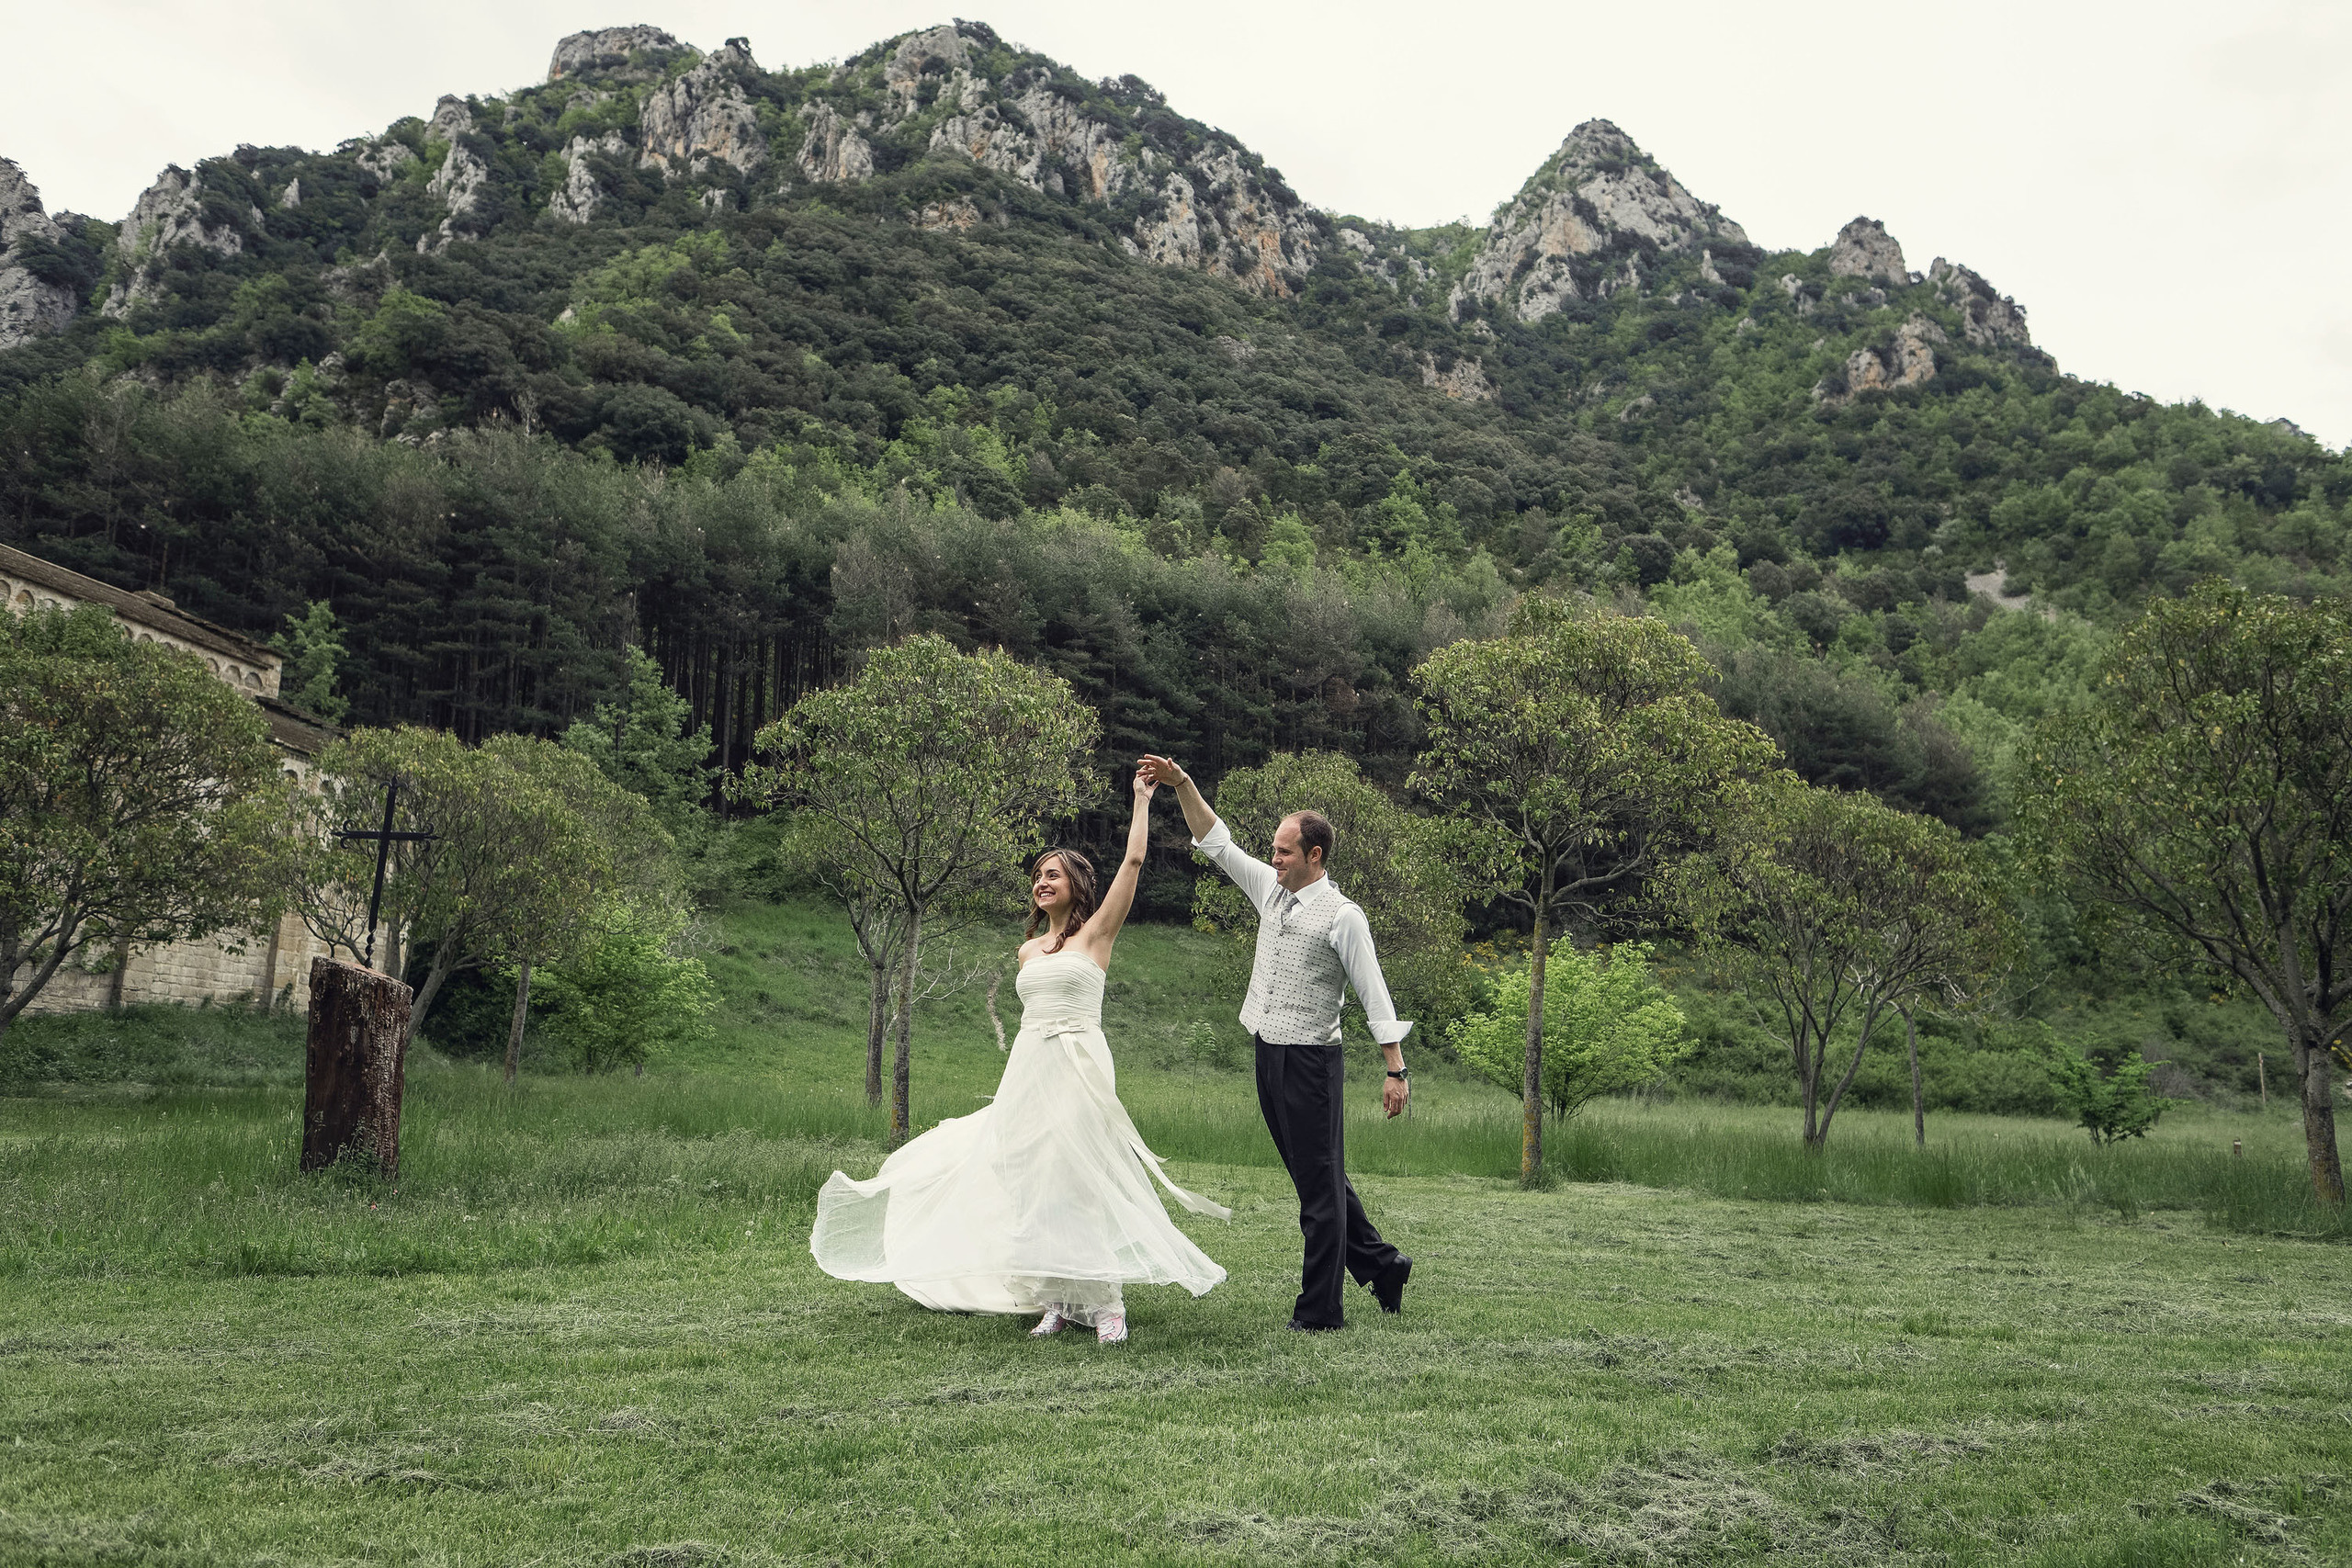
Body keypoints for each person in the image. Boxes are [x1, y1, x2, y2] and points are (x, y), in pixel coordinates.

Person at [808, 766, 1227, 1345]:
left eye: (1052, 874)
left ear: (1077, 885)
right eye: (1036, 876)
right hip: (1029, 1067)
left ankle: (1106, 1304)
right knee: (1031, 1179)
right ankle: (1053, 1298)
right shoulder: (1028, 950)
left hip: (1079, 1062)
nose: (1041, 882)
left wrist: (1140, 801)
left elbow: (1131, 864)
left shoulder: (1097, 935)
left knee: (1078, 1176)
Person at [1137, 754, 1413, 1332]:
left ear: (1315, 856)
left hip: (1314, 1063)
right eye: (1274, 849)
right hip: (1268, 1052)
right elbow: (1217, 843)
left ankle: (1319, 1313)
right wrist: (1183, 783)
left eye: (1284, 851)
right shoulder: (1270, 889)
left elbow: (1373, 992)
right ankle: (1384, 1265)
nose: (1274, 858)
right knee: (1319, 1178)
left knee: (1318, 1192)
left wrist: (1396, 1070)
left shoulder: (1344, 917)